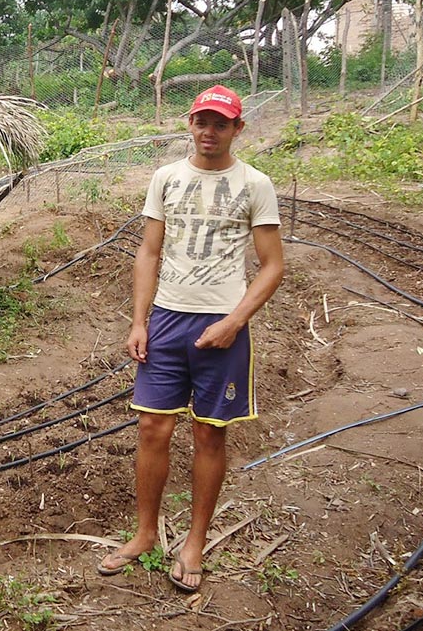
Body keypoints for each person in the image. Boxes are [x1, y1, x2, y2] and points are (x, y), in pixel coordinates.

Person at [97, 85, 284, 592]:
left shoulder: (255, 184)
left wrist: (234, 321)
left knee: (209, 432)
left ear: (237, 130)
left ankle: (195, 542)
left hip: (221, 325)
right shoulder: (166, 179)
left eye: (220, 124)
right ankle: (144, 536)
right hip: (166, 320)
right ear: (190, 124)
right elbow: (149, 253)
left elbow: (272, 266)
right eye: (202, 121)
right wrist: (139, 322)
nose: (209, 132)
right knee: (153, 429)